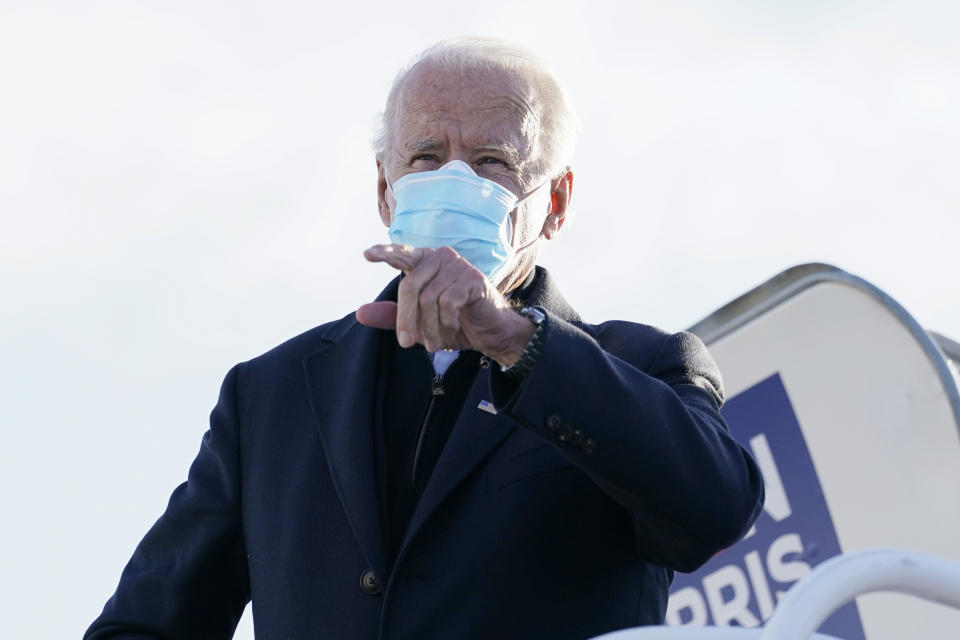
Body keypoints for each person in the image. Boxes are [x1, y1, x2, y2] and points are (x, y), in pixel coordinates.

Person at [85, 37, 764, 640]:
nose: (455, 181)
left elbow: (715, 509)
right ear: (385, 188)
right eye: (426, 157)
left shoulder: (639, 364)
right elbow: (145, 624)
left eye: (493, 159)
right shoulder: (270, 396)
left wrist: (519, 344)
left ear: (554, 202)